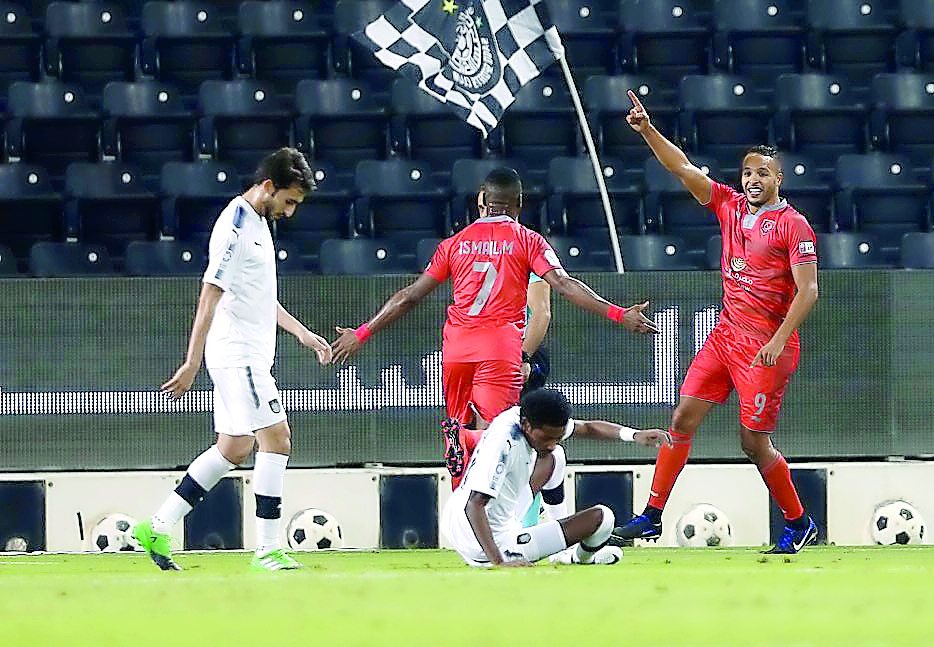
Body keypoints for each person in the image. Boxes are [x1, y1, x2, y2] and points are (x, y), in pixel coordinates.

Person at [331, 167, 659, 490]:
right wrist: (618, 313)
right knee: (497, 435)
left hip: (456, 350)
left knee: (458, 428)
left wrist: (361, 333)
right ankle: (487, 494)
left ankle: (464, 501)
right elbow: (563, 285)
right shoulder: (527, 240)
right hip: (499, 349)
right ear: (518, 204)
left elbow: (408, 297)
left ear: (481, 201)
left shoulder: (453, 244)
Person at [611, 90, 820, 554]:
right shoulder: (726, 205)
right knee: (682, 416)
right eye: (747, 172)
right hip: (725, 338)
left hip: (768, 346)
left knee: (753, 442)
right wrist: (647, 130)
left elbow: (809, 291)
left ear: (778, 179)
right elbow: (681, 167)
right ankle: (651, 516)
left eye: (762, 173)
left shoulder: (793, 225)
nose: (751, 179)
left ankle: (799, 521)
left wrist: (778, 340)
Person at [133, 148, 331, 571]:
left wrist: (303, 334)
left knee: (234, 446)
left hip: (245, 353)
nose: (290, 212)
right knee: (277, 439)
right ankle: (268, 548)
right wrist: (191, 362)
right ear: (267, 187)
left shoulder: (259, 222)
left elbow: (259, 297)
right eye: (289, 201)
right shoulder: (237, 227)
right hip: (238, 354)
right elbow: (210, 294)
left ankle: (158, 524)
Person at [441, 388, 671, 567]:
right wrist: (500, 561)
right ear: (527, 425)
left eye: (557, 437)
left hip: (462, 519)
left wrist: (634, 435)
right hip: (485, 543)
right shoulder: (503, 443)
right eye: (548, 438)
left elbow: (587, 428)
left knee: (556, 456)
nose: (551, 443)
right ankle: (577, 557)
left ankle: (563, 551)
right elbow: (474, 505)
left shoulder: (523, 417)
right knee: (603, 518)